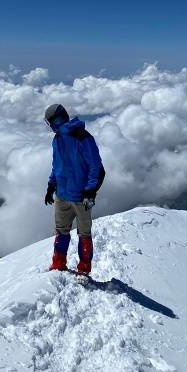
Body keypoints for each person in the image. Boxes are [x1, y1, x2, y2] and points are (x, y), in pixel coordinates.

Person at [44, 104, 105, 274]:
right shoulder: (57, 139)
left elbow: (96, 167)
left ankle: (84, 270)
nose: (50, 128)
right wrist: (51, 185)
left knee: (84, 234)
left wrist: (90, 190)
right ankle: (58, 265)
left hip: (80, 196)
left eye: (50, 124)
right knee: (61, 231)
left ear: (56, 121)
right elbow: (57, 166)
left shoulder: (83, 138)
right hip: (62, 194)